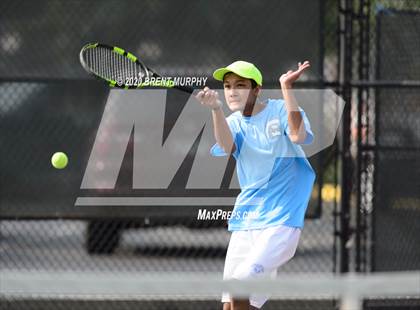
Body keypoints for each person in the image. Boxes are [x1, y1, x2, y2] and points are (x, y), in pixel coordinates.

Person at [196, 60, 316, 310]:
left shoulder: (280, 110)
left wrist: (286, 87)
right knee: (231, 304)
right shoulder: (233, 121)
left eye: (240, 85)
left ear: (256, 90)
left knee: (240, 288)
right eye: (227, 86)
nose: (232, 91)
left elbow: (298, 135)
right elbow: (228, 147)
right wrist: (216, 109)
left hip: (280, 222)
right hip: (246, 221)